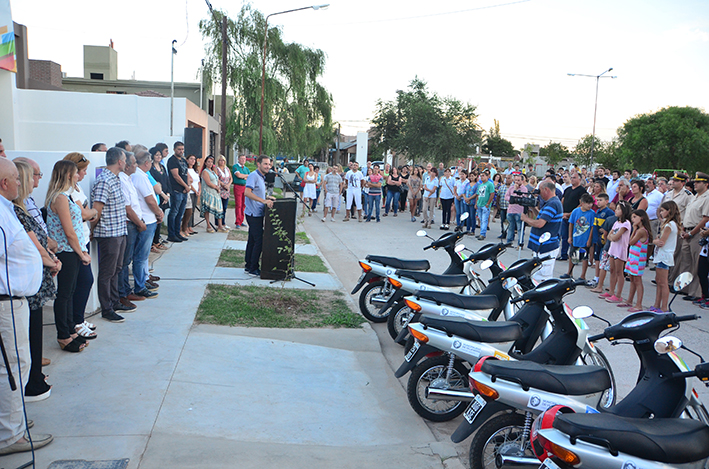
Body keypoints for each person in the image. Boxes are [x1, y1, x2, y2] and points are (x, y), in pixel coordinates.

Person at [0, 157, 54, 454]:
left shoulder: (8, 208)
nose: (21, 183)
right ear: (4, 183)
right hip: (5, 303)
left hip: (14, 302)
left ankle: (13, 422)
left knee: (16, 365)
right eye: (16, 179)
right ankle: (9, 436)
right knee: (12, 368)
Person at [11, 161, 59, 401]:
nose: (30, 182)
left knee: (34, 333)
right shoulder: (16, 211)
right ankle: (32, 382)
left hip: (37, 280)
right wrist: (51, 261)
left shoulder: (21, 208)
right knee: (29, 334)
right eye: (28, 178)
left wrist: (50, 258)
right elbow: (33, 245)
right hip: (28, 287)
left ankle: (35, 377)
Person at [46, 160, 92, 352]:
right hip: (66, 252)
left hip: (71, 251)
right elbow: (69, 231)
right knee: (64, 294)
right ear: (67, 175)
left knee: (70, 292)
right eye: (75, 173)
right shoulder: (60, 198)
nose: (78, 177)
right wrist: (81, 253)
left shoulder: (66, 196)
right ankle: (63, 335)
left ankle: (71, 330)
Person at [61, 153, 98, 336]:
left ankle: (78, 318)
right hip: (76, 243)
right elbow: (84, 214)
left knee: (82, 281)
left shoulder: (77, 188)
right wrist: (92, 212)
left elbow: (86, 212)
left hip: (84, 238)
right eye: (81, 171)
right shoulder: (67, 193)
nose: (82, 174)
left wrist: (90, 213)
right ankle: (76, 321)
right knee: (83, 281)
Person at [91, 147, 128, 323]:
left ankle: (114, 302)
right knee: (107, 272)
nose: (126, 163)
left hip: (120, 231)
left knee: (117, 269)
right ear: (119, 162)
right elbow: (97, 209)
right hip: (109, 234)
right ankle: (107, 309)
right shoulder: (104, 181)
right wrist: (91, 231)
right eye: (125, 160)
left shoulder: (116, 178)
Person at [670, 172, 709, 302]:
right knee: (685, 263)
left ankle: (696, 292)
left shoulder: (707, 197)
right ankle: (685, 288)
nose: (695, 184)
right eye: (695, 182)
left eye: (698, 182)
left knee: (695, 263)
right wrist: (682, 229)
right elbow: (686, 214)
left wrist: (691, 233)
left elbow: (705, 219)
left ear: (706, 184)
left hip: (696, 233)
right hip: (686, 231)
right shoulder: (694, 196)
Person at [129, 150, 163, 299]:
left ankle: (143, 280)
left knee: (143, 255)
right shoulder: (140, 177)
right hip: (147, 220)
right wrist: (158, 213)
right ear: (147, 163)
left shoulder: (139, 176)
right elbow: (149, 200)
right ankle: (140, 285)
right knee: (141, 256)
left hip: (147, 219)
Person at [520, 180, 563, 283]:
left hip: (546, 247)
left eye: (540, 190)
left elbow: (540, 223)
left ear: (546, 189)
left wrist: (526, 219)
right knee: (537, 275)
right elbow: (543, 217)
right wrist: (532, 208)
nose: (539, 194)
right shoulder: (551, 203)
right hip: (542, 247)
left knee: (542, 278)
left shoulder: (553, 204)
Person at [244, 156, 276, 276]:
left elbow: (257, 193)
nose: (268, 166)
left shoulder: (261, 177)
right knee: (259, 240)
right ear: (258, 164)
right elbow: (247, 192)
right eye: (265, 164)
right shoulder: (254, 176)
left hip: (258, 212)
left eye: (269, 164)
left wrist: (266, 198)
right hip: (253, 213)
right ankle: (253, 268)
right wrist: (263, 202)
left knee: (252, 240)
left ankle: (248, 265)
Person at [651, 201, 680, 312]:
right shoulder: (669, 224)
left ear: (669, 211)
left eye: (663, 211)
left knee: (663, 283)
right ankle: (657, 304)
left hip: (664, 255)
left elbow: (661, 242)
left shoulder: (669, 225)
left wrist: (655, 240)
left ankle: (664, 307)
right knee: (659, 281)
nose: (661, 213)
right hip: (662, 254)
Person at [623, 209, 652, 312]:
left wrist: (634, 229)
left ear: (642, 218)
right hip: (633, 257)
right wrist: (634, 229)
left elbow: (631, 242)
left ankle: (639, 304)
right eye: (632, 217)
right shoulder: (638, 230)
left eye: (635, 217)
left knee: (637, 281)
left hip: (638, 258)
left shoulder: (641, 231)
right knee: (632, 279)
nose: (633, 220)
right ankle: (629, 300)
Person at [604, 201, 632, 304]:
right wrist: (612, 237)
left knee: (619, 272)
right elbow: (609, 235)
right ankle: (611, 291)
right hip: (613, 248)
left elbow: (615, 236)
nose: (616, 210)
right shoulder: (616, 223)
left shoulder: (626, 224)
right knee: (612, 270)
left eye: (619, 209)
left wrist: (612, 237)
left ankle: (618, 295)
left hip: (620, 250)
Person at [563, 193, 595, 281]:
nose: (590, 205)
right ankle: (569, 272)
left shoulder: (592, 213)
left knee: (584, 257)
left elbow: (592, 227)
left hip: (585, 239)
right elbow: (571, 224)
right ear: (582, 203)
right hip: (576, 237)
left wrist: (589, 239)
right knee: (572, 255)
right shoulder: (575, 211)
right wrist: (570, 236)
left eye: (591, 203)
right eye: (588, 203)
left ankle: (582, 276)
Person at [559, 171, 586, 261]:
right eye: (572, 178)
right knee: (565, 236)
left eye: (574, 178)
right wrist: (563, 212)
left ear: (579, 179)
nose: (572, 179)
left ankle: (575, 256)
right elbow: (563, 200)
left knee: (574, 237)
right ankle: (563, 254)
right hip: (564, 216)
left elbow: (581, 204)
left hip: (575, 217)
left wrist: (570, 213)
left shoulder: (582, 190)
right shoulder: (567, 189)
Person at [166, 142, 189, 243]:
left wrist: (188, 186)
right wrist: (184, 186)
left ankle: (177, 232)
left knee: (180, 213)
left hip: (184, 190)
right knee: (174, 212)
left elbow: (186, 174)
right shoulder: (172, 161)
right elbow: (176, 176)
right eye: (179, 149)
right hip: (176, 190)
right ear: (174, 149)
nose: (181, 151)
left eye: (182, 149)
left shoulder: (183, 160)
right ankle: (171, 234)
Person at [149, 146, 170, 250]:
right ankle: (153, 242)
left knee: (160, 219)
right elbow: (154, 184)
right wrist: (163, 195)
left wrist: (167, 195)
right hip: (157, 196)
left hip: (165, 196)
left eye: (160, 155)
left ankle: (157, 241)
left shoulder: (162, 167)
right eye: (156, 155)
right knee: (156, 219)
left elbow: (167, 180)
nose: (158, 157)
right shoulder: (150, 168)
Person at [201, 155, 226, 232]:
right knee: (207, 209)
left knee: (219, 209)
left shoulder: (213, 171)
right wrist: (216, 187)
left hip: (216, 193)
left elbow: (217, 180)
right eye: (208, 162)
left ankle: (220, 225)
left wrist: (218, 186)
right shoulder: (205, 171)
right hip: (209, 192)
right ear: (205, 163)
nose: (210, 163)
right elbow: (208, 182)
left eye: (211, 162)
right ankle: (208, 225)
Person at [505, 173, 527, 248]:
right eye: (515, 180)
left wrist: (515, 191)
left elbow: (520, 198)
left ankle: (520, 243)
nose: (517, 182)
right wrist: (511, 198)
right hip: (510, 210)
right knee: (511, 227)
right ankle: (509, 241)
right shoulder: (511, 188)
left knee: (519, 228)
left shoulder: (523, 189)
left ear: (522, 181)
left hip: (519, 211)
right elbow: (507, 197)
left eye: (518, 180)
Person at [182, 154, 199, 237]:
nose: (193, 161)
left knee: (193, 211)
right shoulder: (186, 170)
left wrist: (199, 190)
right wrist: (195, 190)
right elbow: (189, 181)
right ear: (187, 160)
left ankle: (190, 226)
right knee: (189, 210)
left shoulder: (195, 170)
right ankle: (186, 226)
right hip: (191, 191)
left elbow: (198, 181)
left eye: (194, 159)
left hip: (196, 192)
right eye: (191, 159)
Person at [232, 154, 250, 228]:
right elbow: (238, 176)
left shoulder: (246, 168)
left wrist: (244, 176)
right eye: (241, 159)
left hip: (245, 187)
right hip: (238, 187)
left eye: (244, 159)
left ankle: (241, 220)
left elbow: (249, 177)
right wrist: (244, 176)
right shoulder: (235, 167)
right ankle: (238, 222)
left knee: (243, 205)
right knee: (238, 204)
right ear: (238, 159)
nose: (243, 160)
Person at [475, 171, 495, 240]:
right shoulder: (480, 185)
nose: (482, 177)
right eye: (481, 176)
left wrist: (488, 204)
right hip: (479, 204)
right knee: (480, 219)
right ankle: (481, 232)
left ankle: (483, 234)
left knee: (484, 220)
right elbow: (478, 195)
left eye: (483, 175)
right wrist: (476, 203)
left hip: (485, 205)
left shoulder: (490, 184)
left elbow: (492, 194)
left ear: (487, 176)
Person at [215, 155, 232, 229]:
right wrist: (223, 184)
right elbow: (216, 178)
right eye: (220, 160)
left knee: (225, 207)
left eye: (223, 160)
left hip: (226, 190)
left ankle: (223, 222)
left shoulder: (227, 169)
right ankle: (218, 223)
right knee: (219, 207)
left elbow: (231, 178)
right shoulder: (216, 169)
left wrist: (228, 184)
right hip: (220, 189)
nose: (222, 162)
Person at [496, 174, 511, 239]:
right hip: (502, 207)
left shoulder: (513, 187)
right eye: (506, 178)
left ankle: (510, 235)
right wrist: (498, 204)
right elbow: (498, 196)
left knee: (510, 222)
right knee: (503, 221)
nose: (507, 180)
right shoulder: (502, 187)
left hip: (510, 208)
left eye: (509, 178)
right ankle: (503, 233)